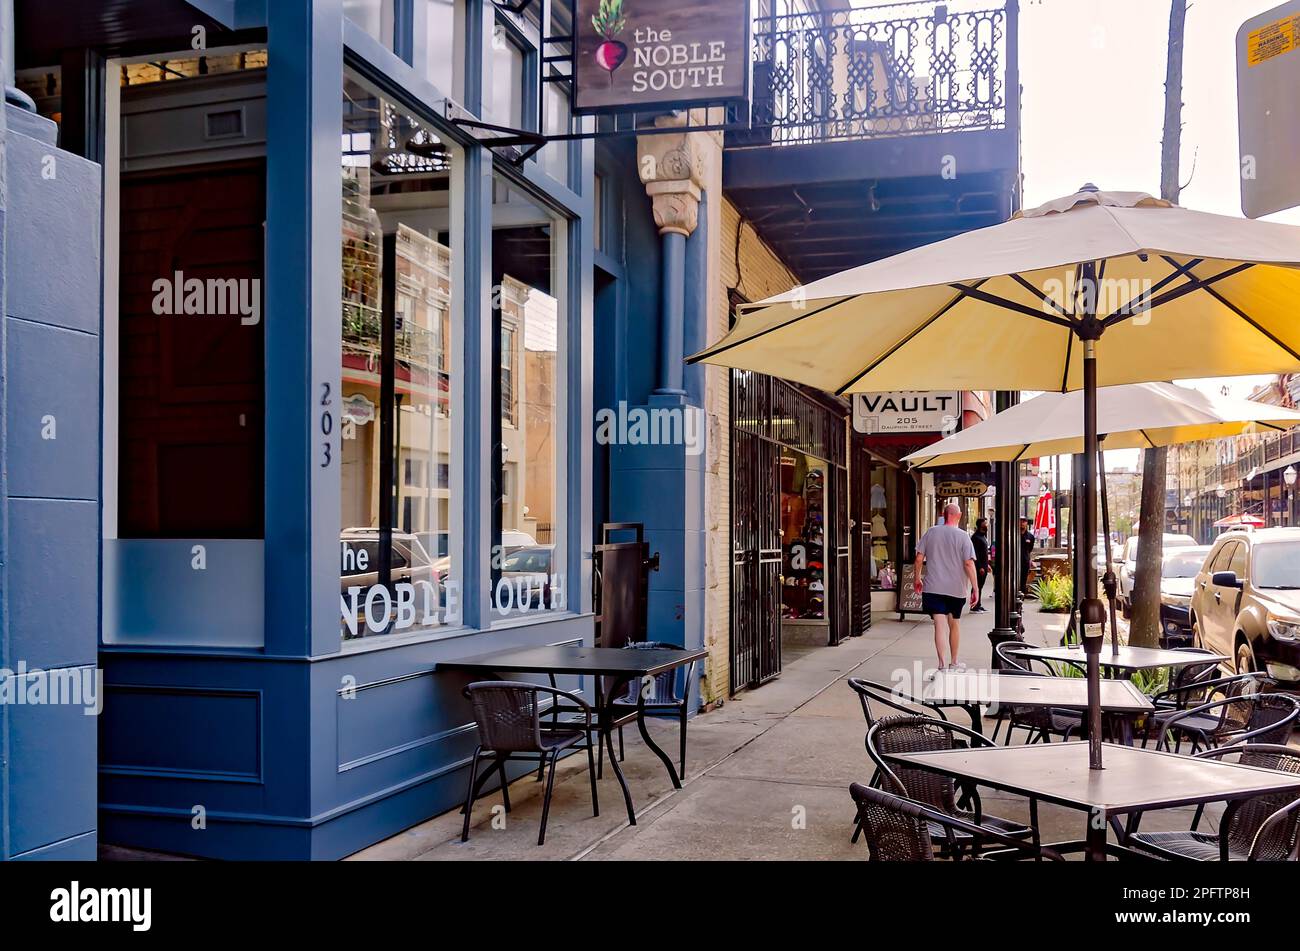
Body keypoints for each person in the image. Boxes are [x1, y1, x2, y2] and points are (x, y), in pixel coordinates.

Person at [913, 503, 980, 675]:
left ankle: (942, 665)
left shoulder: (931, 532)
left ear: (944, 515)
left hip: (933, 587)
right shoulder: (963, 536)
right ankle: (954, 662)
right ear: (959, 515)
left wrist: (917, 578)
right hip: (955, 589)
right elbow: (968, 563)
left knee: (939, 625)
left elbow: (919, 558)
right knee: (954, 624)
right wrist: (975, 588)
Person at [970, 517, 990, 612]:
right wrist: (980, 567)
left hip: (984, 565)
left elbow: (984, 553)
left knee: (980, 586)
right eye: (985, 523)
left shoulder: (983, 536)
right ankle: (974, 606)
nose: (987, 525)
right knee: (976, 586)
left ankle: (978, 604)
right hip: (979, 567)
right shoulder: (975, 537)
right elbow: (975, 554)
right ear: (981, 525)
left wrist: (987, 565)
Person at [1018, 516, 1036, 596]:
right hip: (1014, 562)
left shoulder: (1030, 537)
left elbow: (1030, 549)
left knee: (1023, 582)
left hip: (1024, 563)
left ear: (1026, 523)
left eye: (1024, 521)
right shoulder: (1013, 535)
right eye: (1020, 521)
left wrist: (1029, 560)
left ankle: (1021, 601)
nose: (1022, 523)